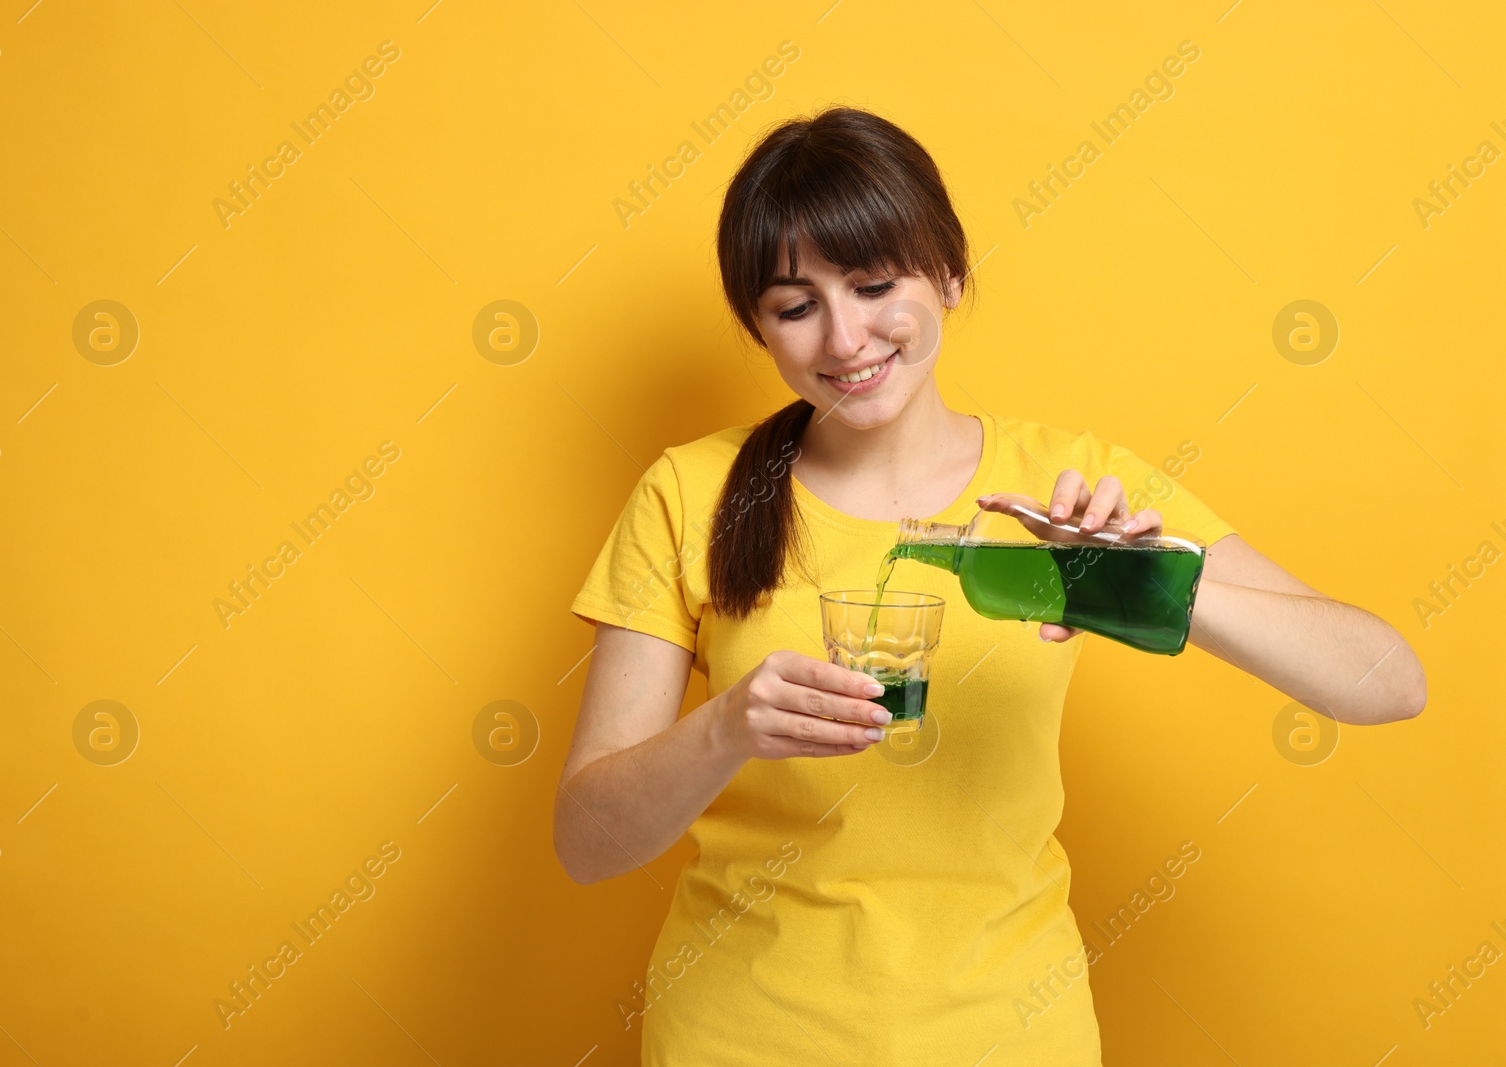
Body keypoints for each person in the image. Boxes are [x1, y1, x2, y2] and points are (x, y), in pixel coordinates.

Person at [553, 106, 1425, 1065]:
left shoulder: (1074, 483)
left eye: (876, 284)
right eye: (796, 306)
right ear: (759, 327)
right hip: (742, 1037)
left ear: (951, 275)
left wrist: (1139, 585)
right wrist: (726, 727)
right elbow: (588, 844)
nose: (845, 338)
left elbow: (1386, 681)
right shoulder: (692, 494)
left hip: (1009, 1035)